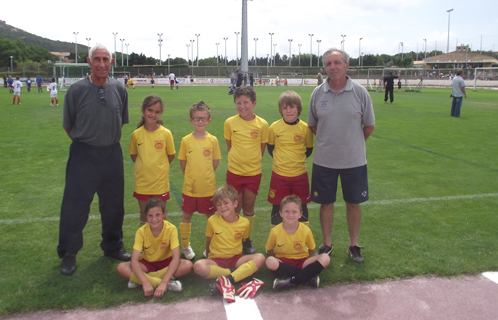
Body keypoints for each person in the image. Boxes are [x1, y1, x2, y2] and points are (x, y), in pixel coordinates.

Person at [58, 44, 131, 276]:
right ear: (89, 62)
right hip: (84, 154)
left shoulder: (119, 88)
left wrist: (105, 141)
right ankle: (69, 253)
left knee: (113, 206)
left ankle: (112, 247)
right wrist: (88, 142)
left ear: (111, 62)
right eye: (97, 59)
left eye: (105, 59)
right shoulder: (76, 90)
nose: (101, 64)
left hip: (112, 154)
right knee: (75, 206)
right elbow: (69, 126)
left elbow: (120, 122)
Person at [307, 48, 375, 264]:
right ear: (324, 67)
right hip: (324, 161)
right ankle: (327, 243)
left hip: (354, 162)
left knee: (353, 203)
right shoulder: (317, 93)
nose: (332, 67)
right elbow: (313, 125)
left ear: (346, 65)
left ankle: (354, 244)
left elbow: (369, 125)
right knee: (325, 203)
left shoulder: (360, 92)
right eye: (328, 63)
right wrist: (332, 143)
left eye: (337, 62)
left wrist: (351, 143)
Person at [193, 185, 265, 303]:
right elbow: (209, 241)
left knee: (260, 258)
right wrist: (208, 257)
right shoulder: (212, 220)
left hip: (235, 259)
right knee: (198, 266)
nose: (222, 207)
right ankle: (236, 274)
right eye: (219, 204)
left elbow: (242, 241)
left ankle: (227, 279)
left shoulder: (244, 222)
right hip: (216, 260)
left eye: (226, 203)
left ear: (235, 204)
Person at [224, 86, 269, 254]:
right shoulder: (230, 122)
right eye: (238, 103)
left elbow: (261, 149)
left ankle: (247, 240)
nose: (242, 106)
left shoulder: (262, 124)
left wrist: (251, 162)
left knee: (249, 207)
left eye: (246, 102)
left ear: (254, 103)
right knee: (235, 207)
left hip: (253, 173)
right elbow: (230, 147)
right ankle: (234, 238)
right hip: (234, 172)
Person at [116, 198, 193, 297]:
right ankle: (164, 283)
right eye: (150, 216)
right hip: (147, 264)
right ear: (146, 216)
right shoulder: (141, 232)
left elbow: (176, 258)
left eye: (158, 215)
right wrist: (146, 283)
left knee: (187, 265)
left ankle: (138, 279)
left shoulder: (171, 229)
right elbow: (134, 260)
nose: (154, 219)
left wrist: (162, 282)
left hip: (166, 263)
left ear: (164, 214)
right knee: (122, 267)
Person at [178, 101, 221, 260]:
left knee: (210, 217)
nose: (200, 121)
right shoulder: (186, 140)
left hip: (208, 188)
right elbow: (183, 162)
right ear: (191, 120)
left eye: (203, 119)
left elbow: (215, 162)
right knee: (186, 216)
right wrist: (191, 176)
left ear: (209, 121)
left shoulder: (213, 140)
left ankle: (210, 246)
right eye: (197, 118)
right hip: (190, 188)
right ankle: (185, 246)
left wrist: (206, 174)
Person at [267, 91, 313, 228]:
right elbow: (271, 149)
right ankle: (275, 240)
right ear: (281, 110)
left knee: (302, 207)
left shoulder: (305, 128)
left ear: (298, 109)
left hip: (300, 175)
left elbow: (308, 150)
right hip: (279, 175)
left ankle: (302, 239)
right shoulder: (274, 127)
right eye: (285, 108)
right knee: (277, 208)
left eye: (292, 107)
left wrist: (295, 162)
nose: (288, 111)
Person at [265, 195, 330, 290]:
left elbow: (311, 249)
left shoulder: (306, 230)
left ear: (300, 214)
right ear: (280, 213)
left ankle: (291, 281)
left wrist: (304, 259)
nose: (290, 215)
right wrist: (277, 259)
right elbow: (269, 249)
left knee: (325, 258)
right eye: (286, 211)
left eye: (294, 212)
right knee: (270, 261)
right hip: (284, 261)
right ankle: (307, 276)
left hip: (302, 261)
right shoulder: (275, 231)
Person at [129, 95, 175, 224]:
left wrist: (158, 166)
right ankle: (144, 244)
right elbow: (134, 156)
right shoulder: (136, 134)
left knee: (161, 216)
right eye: (150, 110)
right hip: (142, 183)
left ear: (160, 114)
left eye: (157, 112)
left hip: (160, 183)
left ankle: (162, 244)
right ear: (143, 110)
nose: (152, 114)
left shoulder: (166, 134)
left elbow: (170, 156)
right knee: (145, 216)